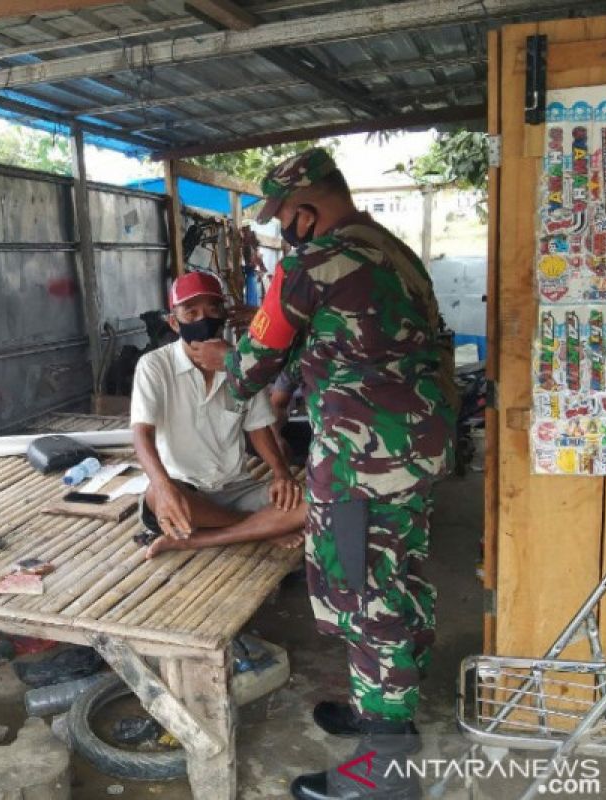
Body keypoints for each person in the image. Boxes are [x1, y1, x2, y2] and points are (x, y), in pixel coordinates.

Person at [189, 148, 454, 800]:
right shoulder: (392, 250)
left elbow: (249, 367)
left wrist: (220, 352)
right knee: (398, 572)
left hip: (364, 462)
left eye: (284, 218)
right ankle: (384, 713)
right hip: (415, 448)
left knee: (368, 597)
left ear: (307, 208)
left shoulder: (313, 262)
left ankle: (384, 771)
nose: (283, 231)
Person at [131, 271, 305, 559]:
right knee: (154, 495)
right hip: (187, 492)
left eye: (213, 309)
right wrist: (162, 486)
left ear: (224, 316)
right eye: (191, 312)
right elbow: (142, 433)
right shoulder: (154, 367)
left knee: (312, 503)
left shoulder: (241, 364)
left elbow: (259, 426)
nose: (204, 319)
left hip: (238, 488)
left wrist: (281, 473)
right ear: (174, 323)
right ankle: (262, 528)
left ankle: (197, 539)